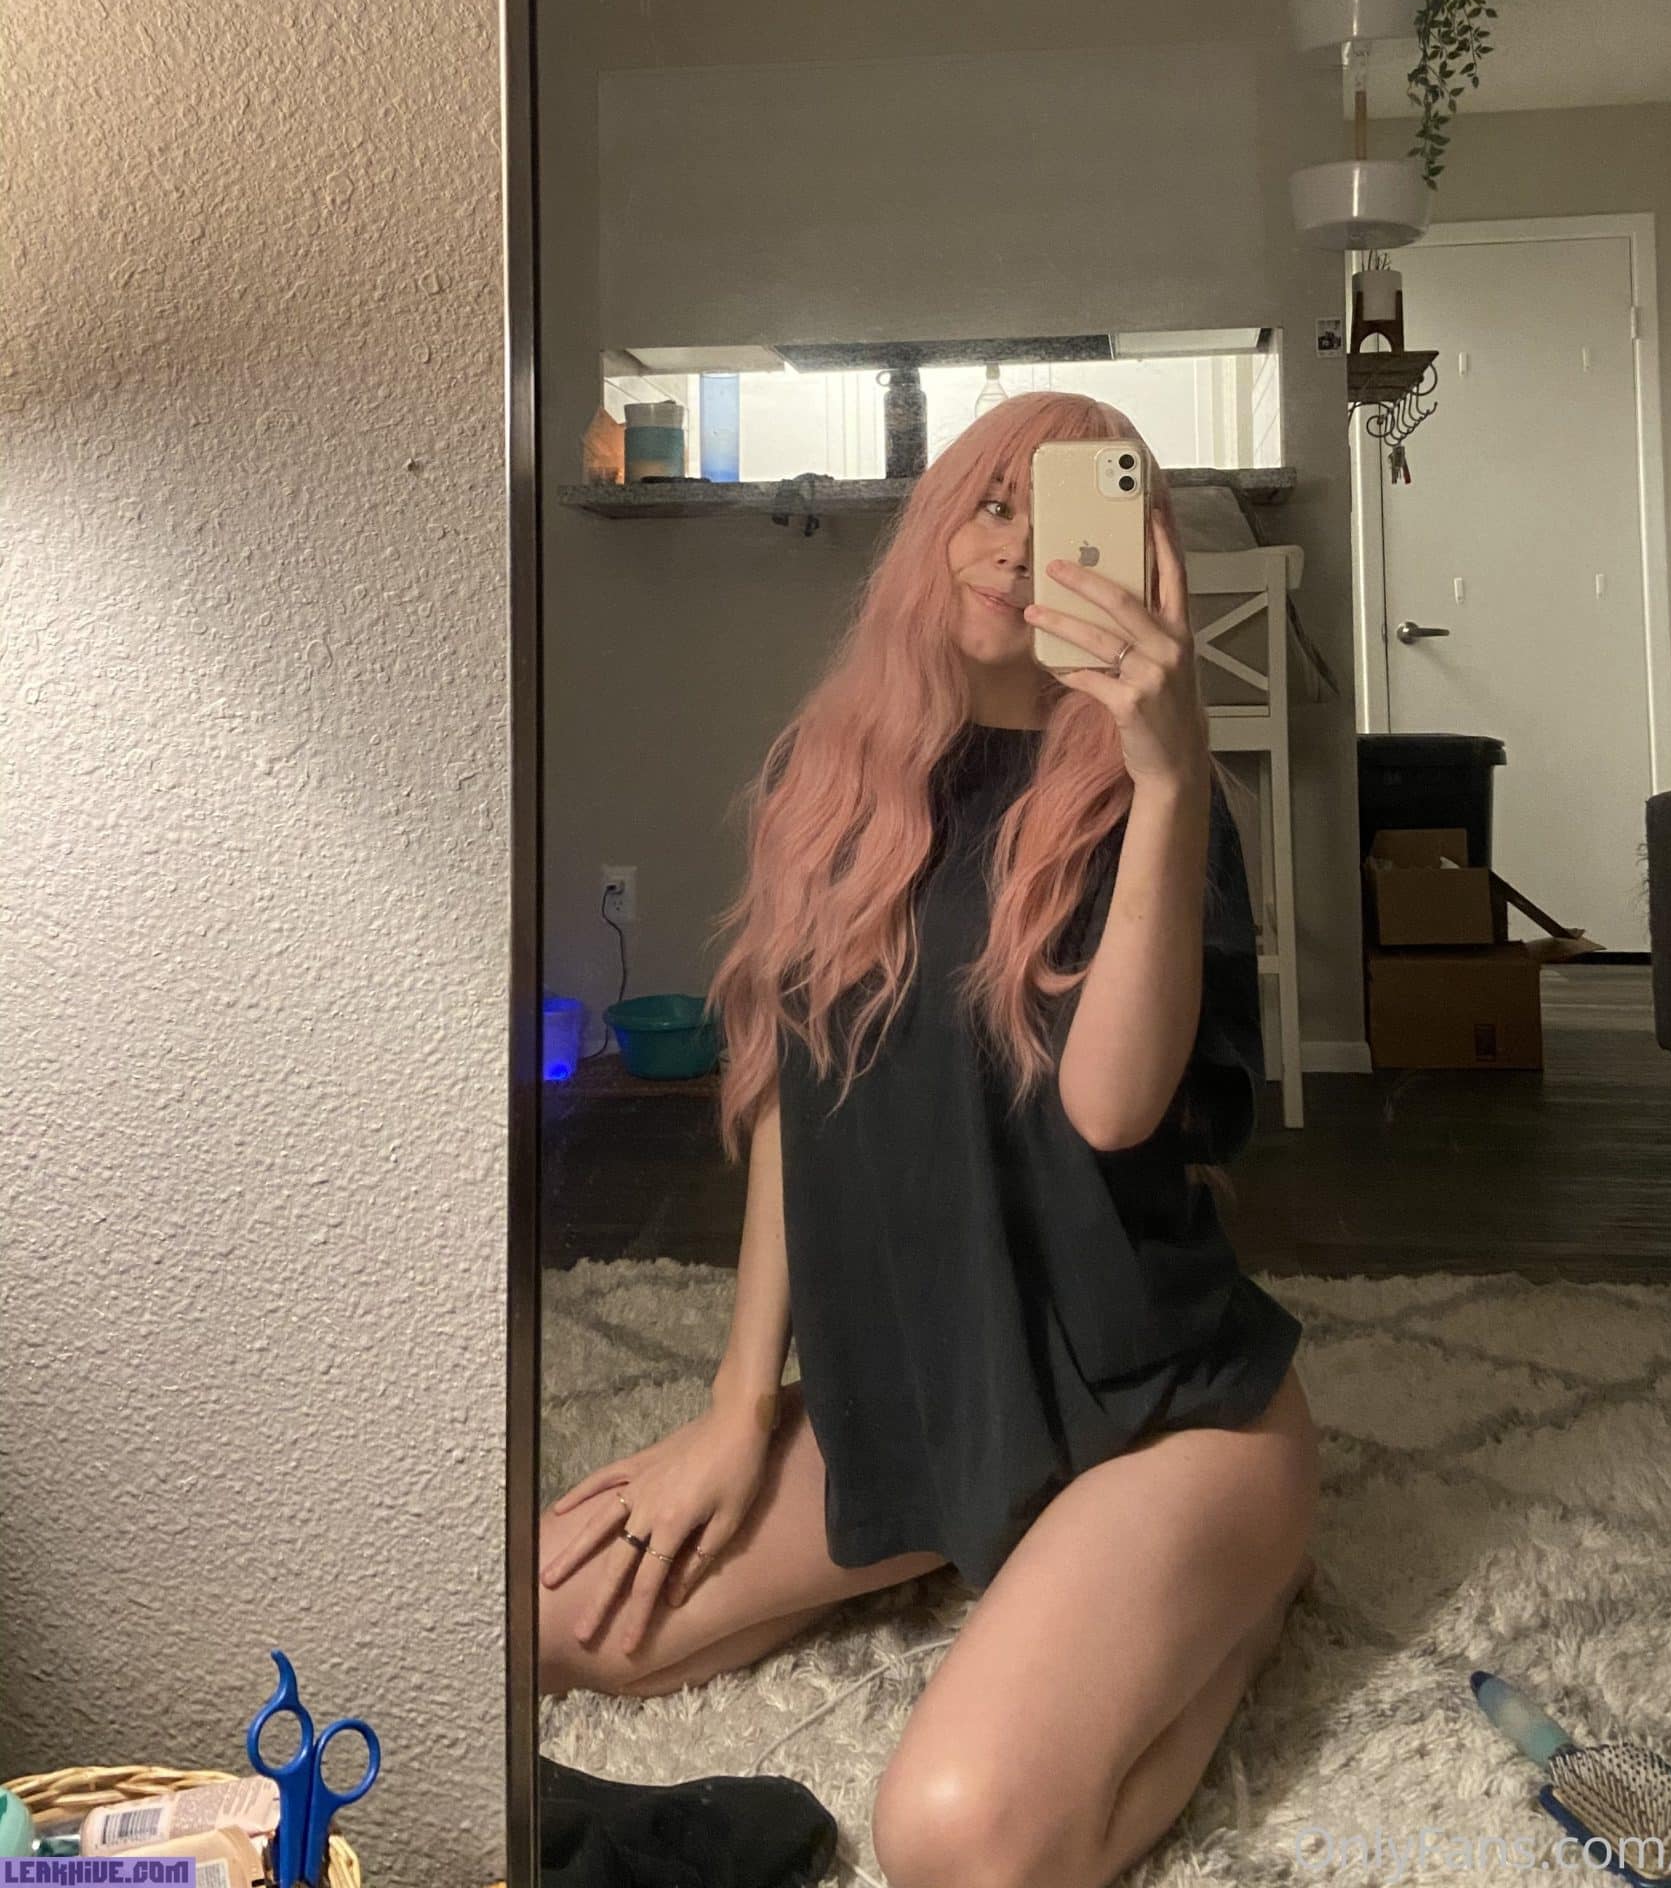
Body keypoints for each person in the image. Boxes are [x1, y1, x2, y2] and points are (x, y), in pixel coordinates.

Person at [538, 390, 1318, 1888]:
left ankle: (1238, 1597)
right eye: (991, 504)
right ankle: (990, 1548)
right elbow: (795, 1105)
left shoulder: (1161, 805)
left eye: (1065, 521)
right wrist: (735, 1408)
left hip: (1161, 1408)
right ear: (935, 524)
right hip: (924, 1394)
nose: (1017, 551)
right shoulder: (831, 779)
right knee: (543, 1616)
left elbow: (1112, 1109)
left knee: (956, 1836)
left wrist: (1167, 775)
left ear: (1137, 565)